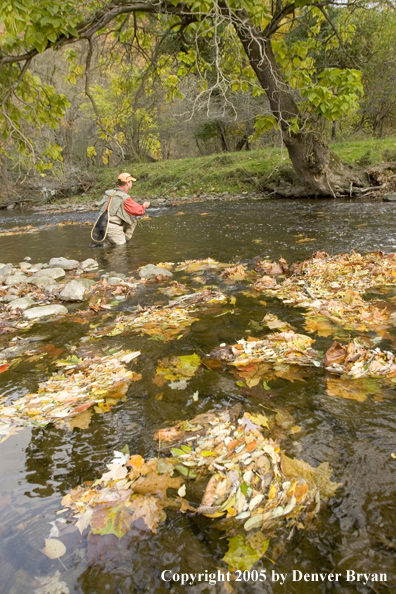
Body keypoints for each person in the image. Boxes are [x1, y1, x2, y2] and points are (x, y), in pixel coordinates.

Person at [98, 172, 150, 246]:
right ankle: (101, 246)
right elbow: (139, 211)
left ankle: (120, 240)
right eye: (131, 181)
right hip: (111, 227)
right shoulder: (124, 197)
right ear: (128, 183)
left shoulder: (110, 193)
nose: (131, 183)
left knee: (132, 221)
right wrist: (144, 206)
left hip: (100, 224)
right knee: (121, 247)